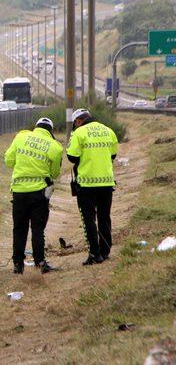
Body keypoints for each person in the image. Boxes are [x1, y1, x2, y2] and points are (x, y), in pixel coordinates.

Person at [5, 117, 63, 274]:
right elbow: (55, 173)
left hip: (19, 191)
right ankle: (40, 263)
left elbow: (9, 161)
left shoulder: (21, 137)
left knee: (19, 229)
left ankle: (18, 264)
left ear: (36, 127)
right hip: (39, 193)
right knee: (37, 229)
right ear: (50, 131)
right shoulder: (54, 147)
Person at [66, 108, 119, 265]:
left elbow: (72, 157)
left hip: (87, 183)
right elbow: (113, 155)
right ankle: (105, 250)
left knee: (89, 219)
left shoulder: (79, 133)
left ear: (78, 121)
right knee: (104, 217)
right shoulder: (108, 130)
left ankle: (94, 254)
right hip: (107, 182)